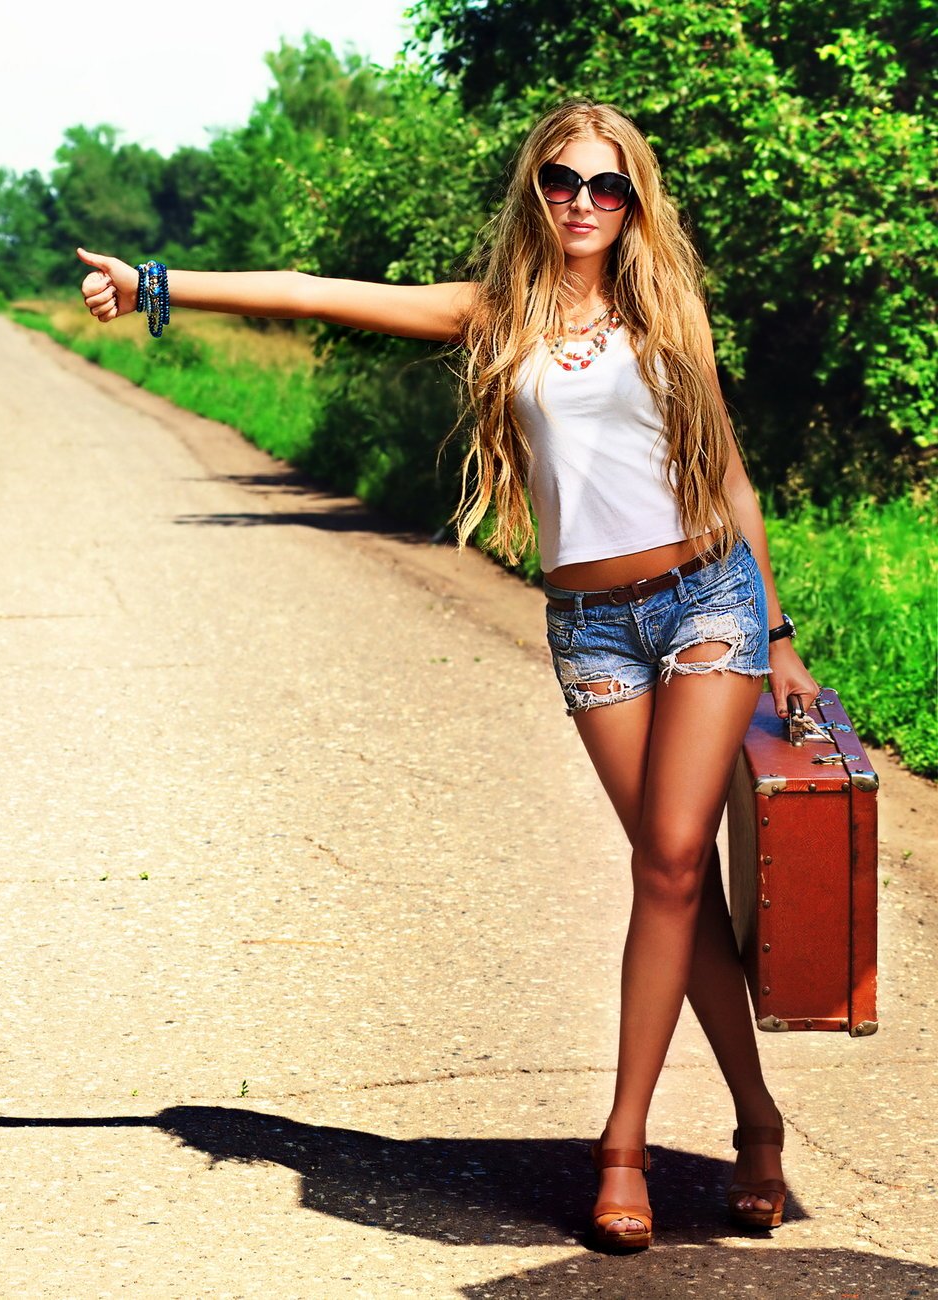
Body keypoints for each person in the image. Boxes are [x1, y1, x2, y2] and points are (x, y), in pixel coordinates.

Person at [75, 99, 819, 1253]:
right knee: (676, 878)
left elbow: (728, 475)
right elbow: (319, 290)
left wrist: (777, 638)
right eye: (562, 182)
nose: (582, 201)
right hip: (592, 624)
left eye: (606, 186)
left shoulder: (668, 309)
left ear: (635, 202)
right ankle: (759, 1124)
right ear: (535, 191)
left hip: (707, 603)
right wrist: (159, 283)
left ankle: (620, 1144)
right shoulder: (495, 317)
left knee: (671, 861)